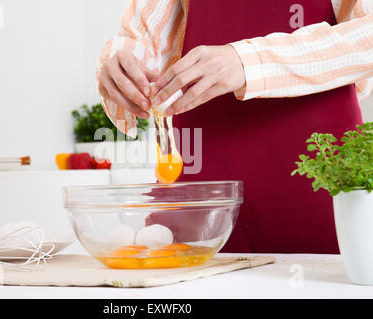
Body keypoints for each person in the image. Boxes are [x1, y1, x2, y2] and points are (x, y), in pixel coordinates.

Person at [96, 0, 373, 253]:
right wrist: (120, 68)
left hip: (320, 188)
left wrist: (248, 62)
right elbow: (143, 38)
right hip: (201, 196)